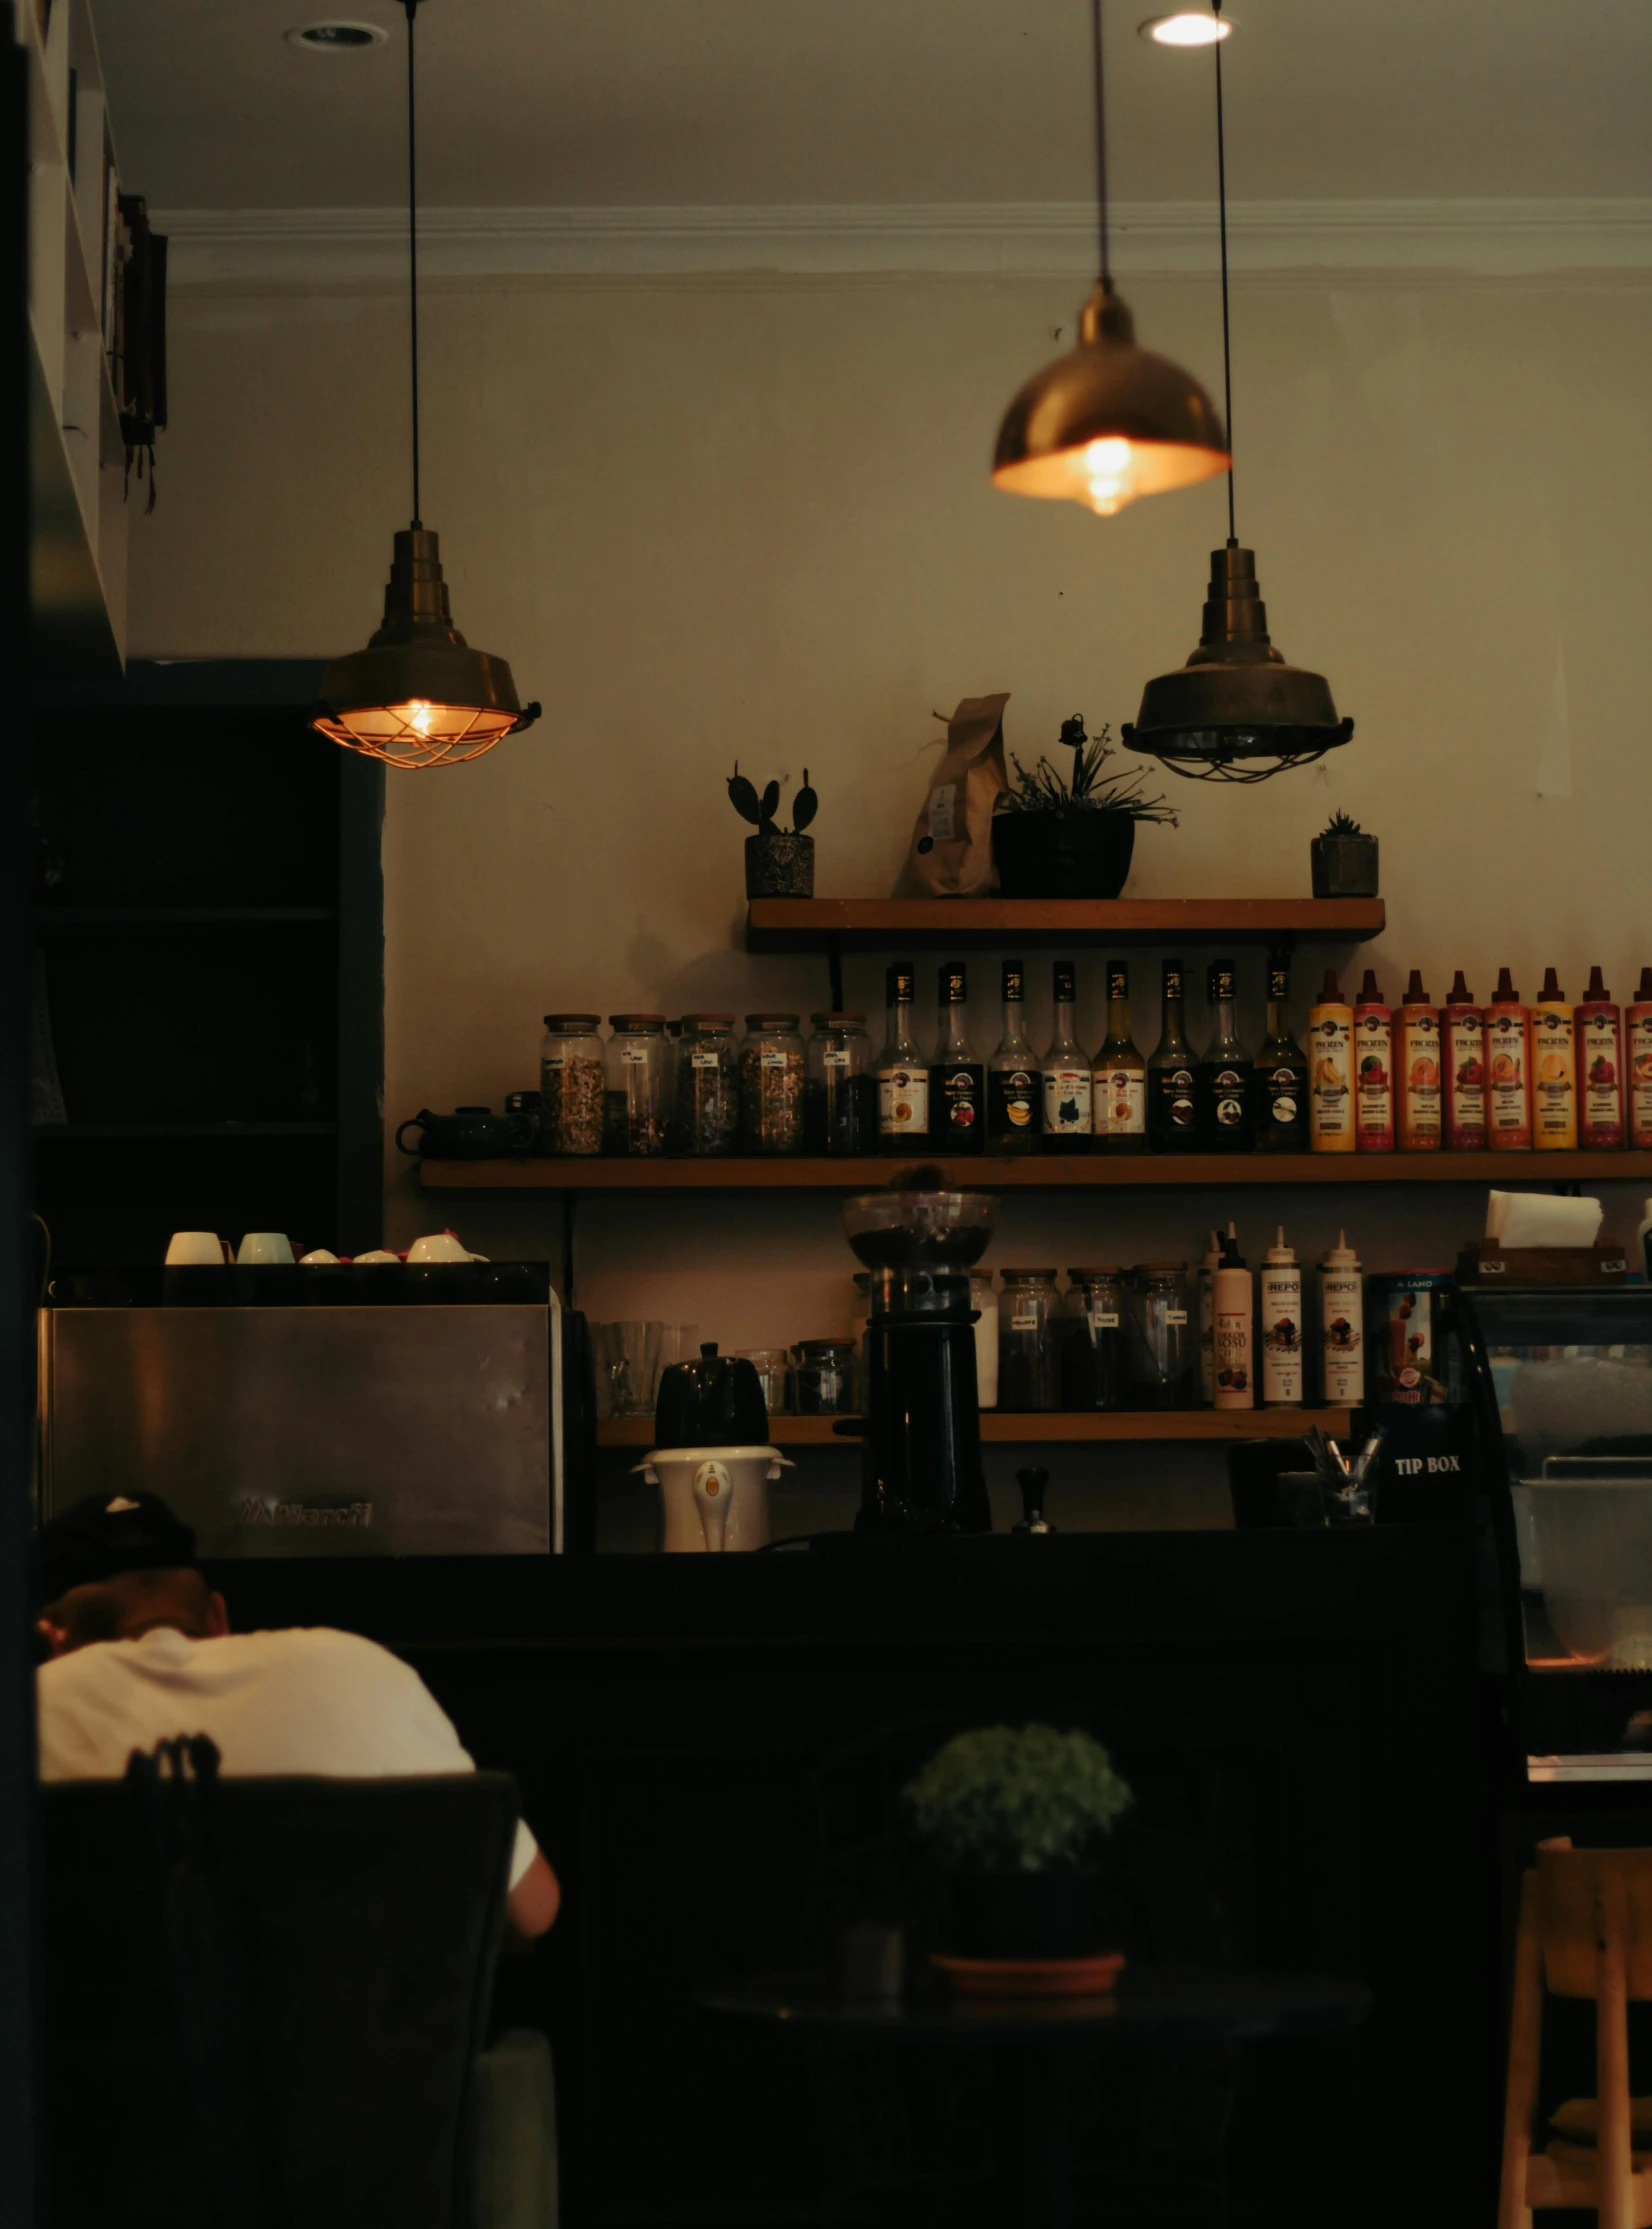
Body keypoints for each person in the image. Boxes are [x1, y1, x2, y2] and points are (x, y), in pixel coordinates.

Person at [35, 1490, 559, 1941]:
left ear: (52, 1639)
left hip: (100, 2060)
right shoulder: (359, 1671)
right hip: (359, 2057)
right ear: (217, 1616)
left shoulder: (32, 1708)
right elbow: (533, 1911)